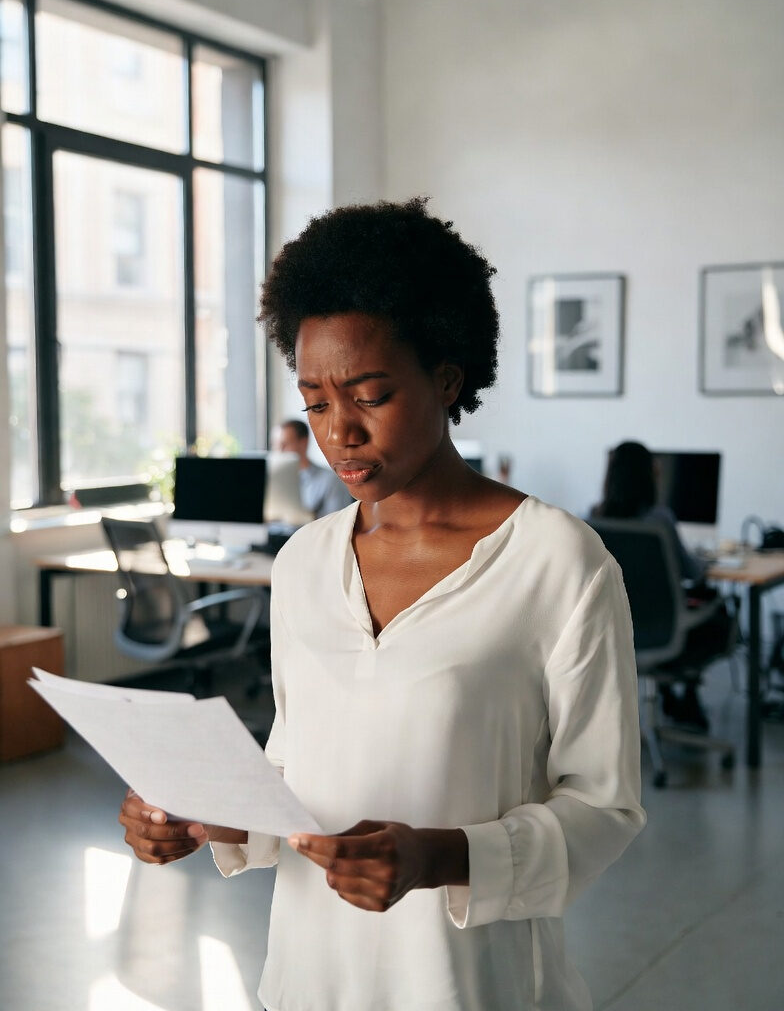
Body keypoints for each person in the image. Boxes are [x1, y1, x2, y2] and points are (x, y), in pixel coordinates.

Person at [119, 198, 646, 1011]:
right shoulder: (304, 564)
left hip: (471, 985)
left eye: (369, 394)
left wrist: (440, 857)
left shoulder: (556, 561)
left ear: (446, 376)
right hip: (311, 975)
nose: (341, 434)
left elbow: (604, 807)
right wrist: (203, 817)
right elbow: (294, 778)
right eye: (317, 403)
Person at [591, 439, 734, 730]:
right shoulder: (659, 520)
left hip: (612, 634)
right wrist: (708, 562)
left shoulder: (594, 519)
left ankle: (672, 698)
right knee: (718, 611)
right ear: (650, 476)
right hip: (663, 636)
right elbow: (692, 572)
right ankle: (685, 699)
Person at [274, 417, 353, 518]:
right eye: (275, 445)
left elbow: (337, 524)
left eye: (285, 445)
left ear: (303, 443)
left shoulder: (331, 481)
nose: (279, 451)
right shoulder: (275, 481)